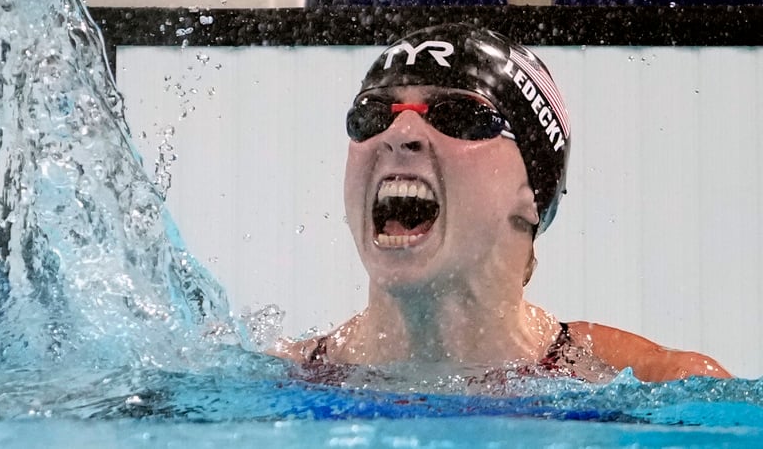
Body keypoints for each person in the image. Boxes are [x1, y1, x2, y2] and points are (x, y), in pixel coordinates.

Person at [272, 23, 730, 383]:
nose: (400, 134)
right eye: (372, 115)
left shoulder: (651, 386)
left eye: (458, 115)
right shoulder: (279, 382)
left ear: (533, 192)